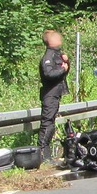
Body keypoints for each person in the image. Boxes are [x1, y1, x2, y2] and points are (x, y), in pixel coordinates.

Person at [38, 29, 70, 164]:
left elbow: (63, 71)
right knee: (47, 124)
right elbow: (49, 74)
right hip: (50, 95)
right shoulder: (48, 57)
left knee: (50, 123)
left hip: (55, 94)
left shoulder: (57, 55)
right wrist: (63, 68)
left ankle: (46, 155)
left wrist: (67, 64)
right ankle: (42, 154)